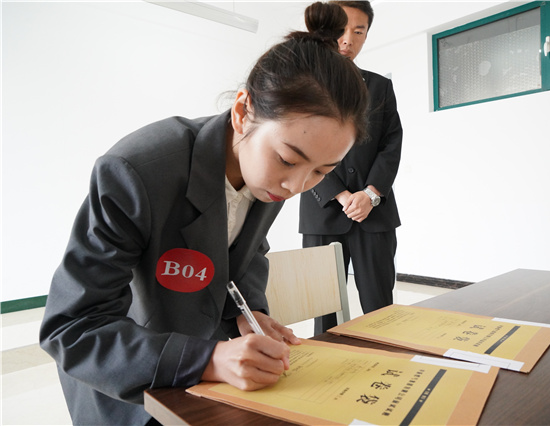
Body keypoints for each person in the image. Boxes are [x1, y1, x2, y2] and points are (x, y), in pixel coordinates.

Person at [39, 2, 369, 424]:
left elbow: (245, 250)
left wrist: (249, 314)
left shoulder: (271, 173)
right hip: (131, 381)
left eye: (322, 171)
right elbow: (72, 327)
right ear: (243, 111)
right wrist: (208, 359)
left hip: (207, 372)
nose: (296, 186)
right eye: (288, 159)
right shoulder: (136, 171)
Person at [299, 0, 402, 335]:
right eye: (341, 30)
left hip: (375, 211)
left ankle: (386, 358)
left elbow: (391, 144)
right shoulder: (302, 86)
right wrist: (341, 194)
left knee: (380, 306)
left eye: (359, 31)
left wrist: (370, 194)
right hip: (324, 209)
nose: (348, 40)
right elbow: (299, 146)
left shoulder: (380, 87)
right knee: (323, 308)